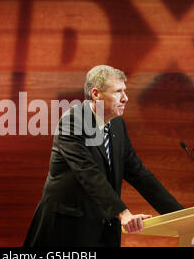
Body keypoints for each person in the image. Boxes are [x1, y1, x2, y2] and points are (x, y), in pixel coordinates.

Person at [23, 65, 183, 247]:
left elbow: (138, 173)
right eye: (118, 92)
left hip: (103, 225)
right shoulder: (72, 121)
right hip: (66, 226)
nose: (125, 98)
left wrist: (181, 216)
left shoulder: (117, 125)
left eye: (125, 91)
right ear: (96, 94)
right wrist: (123, 213)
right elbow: (88, 173)